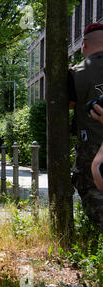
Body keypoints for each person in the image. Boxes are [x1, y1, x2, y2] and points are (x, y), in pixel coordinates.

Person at [68, 23, 103, 230]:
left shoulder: (78, 73)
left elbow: (67, 105)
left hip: (92, 147)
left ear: (84, 45)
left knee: (92, 192)